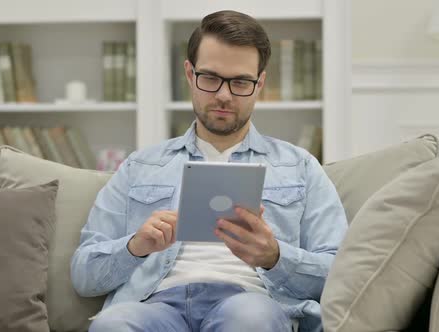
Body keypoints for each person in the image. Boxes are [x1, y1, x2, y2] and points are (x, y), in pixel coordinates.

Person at [71, 10, 347, 332]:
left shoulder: (300, 167)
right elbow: (83, 275)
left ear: (260, 84)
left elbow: (342, 274)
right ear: (190, 74)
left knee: (251, 319)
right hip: (156, 305)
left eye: (241, 82)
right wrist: (135, 247)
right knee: (112, 325)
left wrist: (275, 256)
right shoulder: (139, 166)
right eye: (211, 78)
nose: (223, 95)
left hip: (250, 302)